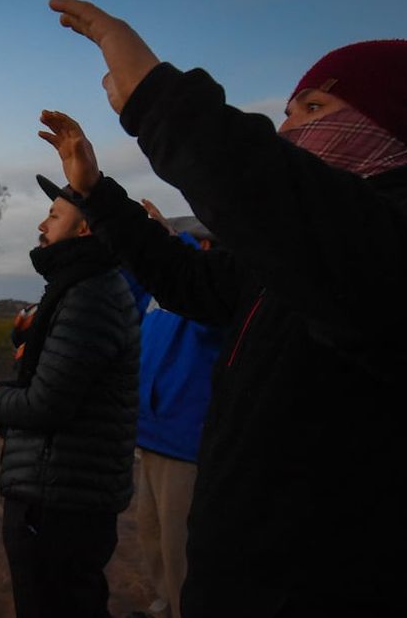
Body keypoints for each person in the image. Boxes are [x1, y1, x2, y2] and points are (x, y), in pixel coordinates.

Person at [42, 0, 407, 615]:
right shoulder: (293, 255)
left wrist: (156, 98)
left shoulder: (404, 246)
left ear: (398, 123)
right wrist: (98, 196)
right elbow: (188, 279)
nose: (288, 130)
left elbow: (280, 198)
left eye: (313, 107)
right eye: (287, 111)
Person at [0, 176, 140, 618]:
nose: (41, 225)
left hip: (61, 498)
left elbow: (48, 403)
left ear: (85, 228)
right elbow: (58, 379)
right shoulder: (80, 285)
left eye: (54, 215)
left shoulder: (89, 294)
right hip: (64, 488)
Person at [124, 202, 222, 618]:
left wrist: (172, 243)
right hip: (148, 431)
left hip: (184, 442)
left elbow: (207, 324)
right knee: (151, 532)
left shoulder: (214, 294)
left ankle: (182, 607)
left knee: (179, 543)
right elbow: (130, 291)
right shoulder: (158, 295)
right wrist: (137, 245)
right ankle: (164, 604)